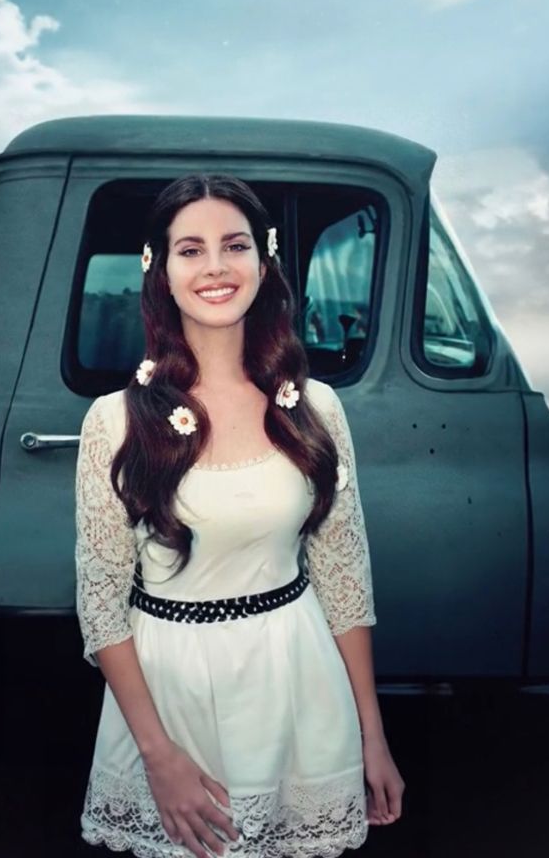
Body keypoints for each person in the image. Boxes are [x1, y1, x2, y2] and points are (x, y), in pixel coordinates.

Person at [74, 173, 405, 858]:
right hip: (172, 701)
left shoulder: (317, 408)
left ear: (264, 260)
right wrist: (158, 755)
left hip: (298, 685)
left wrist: (372, 733)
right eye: (190, 250)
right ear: (160, 270)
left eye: (235, 245)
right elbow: (102, 606)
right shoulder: (114, 422)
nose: (217, 267)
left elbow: (343, 578)